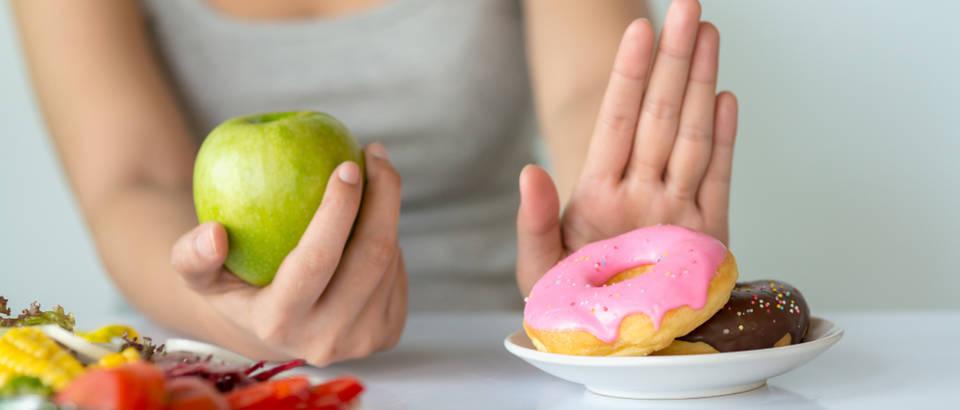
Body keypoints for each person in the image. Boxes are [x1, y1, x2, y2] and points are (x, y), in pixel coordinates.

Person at [12, 0, 737, 365]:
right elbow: (130, 179)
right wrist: (240, 324)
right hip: (207, 370)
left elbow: (591, 90)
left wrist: (613, 256)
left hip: (497, 361)